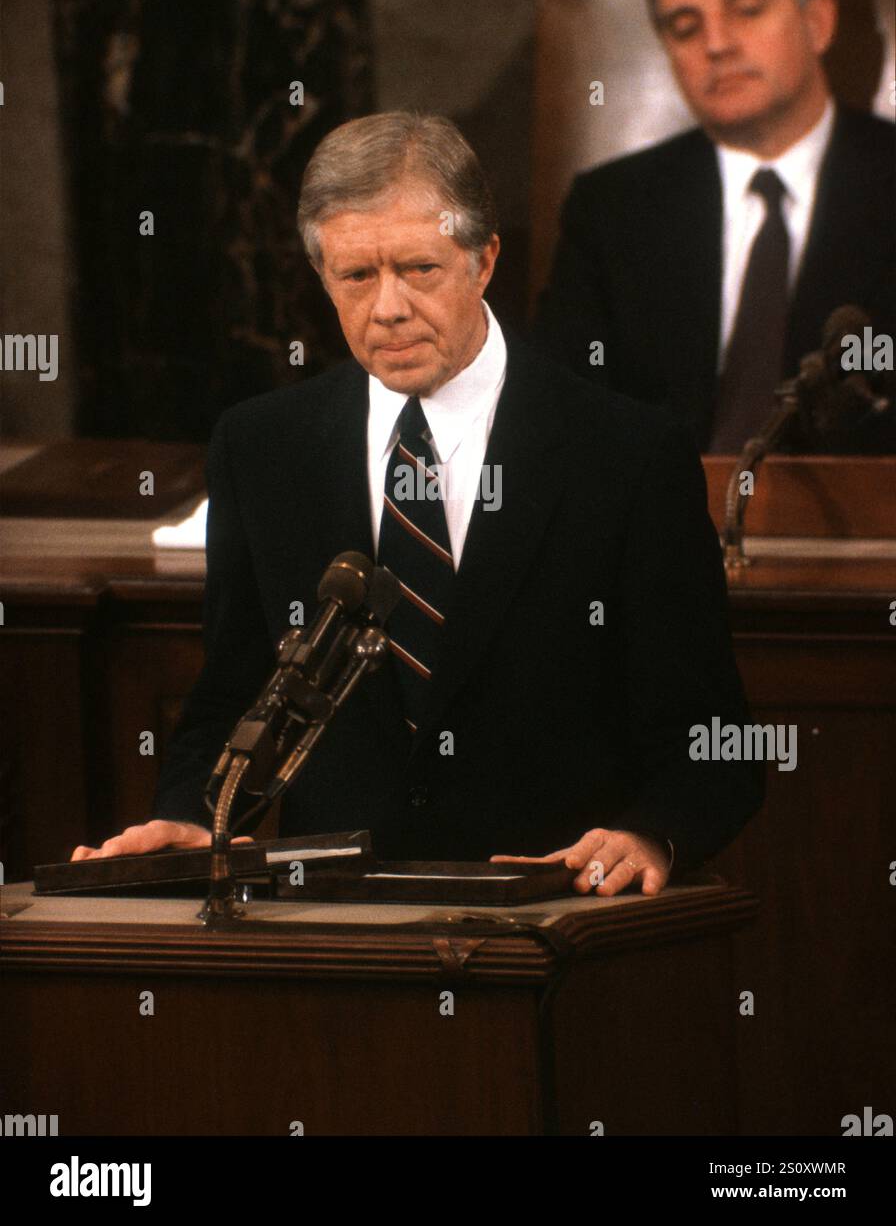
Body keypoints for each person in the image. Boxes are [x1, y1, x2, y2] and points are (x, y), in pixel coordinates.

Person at [72, 112, 763, 897]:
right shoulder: (261, 448)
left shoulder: (626, 452)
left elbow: (717, 739)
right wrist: (196, 817)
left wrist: (652, 835)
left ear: (485, 259)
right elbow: (234, 692)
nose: (388, 307)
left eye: (419, 269)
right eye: (356, 277)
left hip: (554, 920)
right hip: (336, 934)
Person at [534, 0, 895, 453]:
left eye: (746, 9)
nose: (717, 44)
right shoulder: (611, 208)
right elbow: (566, 410)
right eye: (686, 26)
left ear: (817, 22)